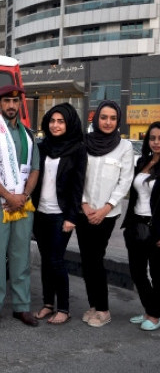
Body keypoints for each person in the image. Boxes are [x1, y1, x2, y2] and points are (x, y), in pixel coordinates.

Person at [0, 84, 40, 327]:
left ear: (20, 103)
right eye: (6, 101)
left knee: (21, 256)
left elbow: (34, 169)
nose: (11, 105)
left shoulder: (29, 135)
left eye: (15, 101)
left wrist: (23, 195)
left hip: (23, 203)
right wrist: (8, 196)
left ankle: (22, 306)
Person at [76, 100, 133, 328]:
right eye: (103, 117)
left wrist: (106, 207)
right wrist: (84, 204)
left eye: (112, 118)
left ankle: (103, 309)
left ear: (118, 121)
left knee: (95, 258)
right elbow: (77, 174)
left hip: (107, 214)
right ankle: (93, 304)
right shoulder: (84, 142)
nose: (107, 122)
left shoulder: (125, 147)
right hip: (84, 210)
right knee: (86, 259)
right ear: (96, 118)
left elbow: (125, 180)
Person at [31, 103, 86, 325]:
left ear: (69, 123)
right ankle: (47, 304)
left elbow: (78, 185)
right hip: (40, 212)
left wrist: (72, 217)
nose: (55, 125)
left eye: (60, 121)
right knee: (46, 260)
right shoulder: (43, 146)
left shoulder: (78, 149)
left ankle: (64, 308)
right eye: (52, 121)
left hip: (61, 215)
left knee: (56, 260)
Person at [121, 122, 160, 331]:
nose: (156, 142)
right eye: (153, 138)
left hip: (156, 227)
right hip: (136, 225)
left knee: (157, 273)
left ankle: (154, 315)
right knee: (137, 272)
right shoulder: (143, 162)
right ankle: (150, 309)